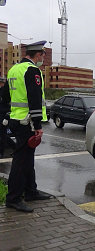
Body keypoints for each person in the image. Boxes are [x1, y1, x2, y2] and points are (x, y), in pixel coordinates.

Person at [3, 41, 50, 213]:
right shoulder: (32, 70)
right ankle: (13, 199)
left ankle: (31, 191)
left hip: (16, 119)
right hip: (27, 122)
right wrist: (37, 125)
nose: (42, 60)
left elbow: (6, 95)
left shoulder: (14, 70)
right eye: (42, 57)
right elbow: (35, 98)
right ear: (38, 55)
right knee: (21, 161)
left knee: (27, 159)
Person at [0, 77, 16, 158]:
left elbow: (9, 105)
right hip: (1, 115)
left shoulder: (6, 92)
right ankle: (15, 147)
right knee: (3, 134)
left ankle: (1, 152)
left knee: (3, 135)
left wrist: (7, 116)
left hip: (4, 115)